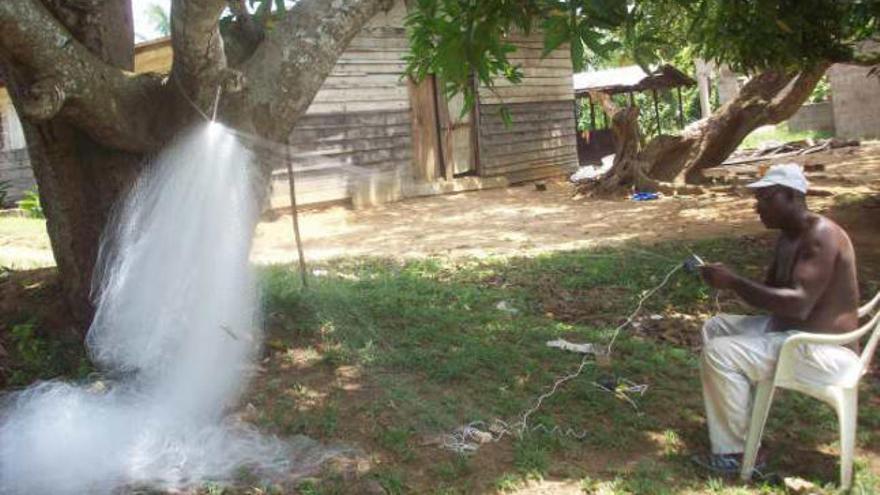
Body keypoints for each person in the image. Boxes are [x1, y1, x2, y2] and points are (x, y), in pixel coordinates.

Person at [692, 163, 861, 474]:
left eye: (766, 198)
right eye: (758, 199)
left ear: (793, 196)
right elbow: (771, 293)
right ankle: (738, 425)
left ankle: (739, 454)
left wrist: (734, 282)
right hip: (792, 334)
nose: (758, 207)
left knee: (719, 354)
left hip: (822, 352)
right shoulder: (788, 237)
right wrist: (726, 277)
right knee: (715, 327)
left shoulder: (821, 236)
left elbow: (797, 305)